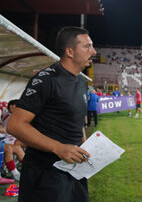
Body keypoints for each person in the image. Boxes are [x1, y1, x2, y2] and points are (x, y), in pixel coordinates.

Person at [7, 26, 96, 202]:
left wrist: (84, 141)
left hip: (74, 170)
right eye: (87, 46)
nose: (93, 51)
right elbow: (15, 125)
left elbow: (75, 118)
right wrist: (58, 147)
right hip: (45, 174)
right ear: (69, 51)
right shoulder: (46, 80)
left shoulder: (81, 81)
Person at [0, 99, 25, 181]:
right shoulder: (10, 116)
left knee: (19, 146)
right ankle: (17, 172)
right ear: (11, 106)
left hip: (6, 138)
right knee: (12, 147)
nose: (19, 109)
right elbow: (4, 130)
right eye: (17, 106)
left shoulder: (9, 114)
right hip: (7, 138)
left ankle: (26, 170)